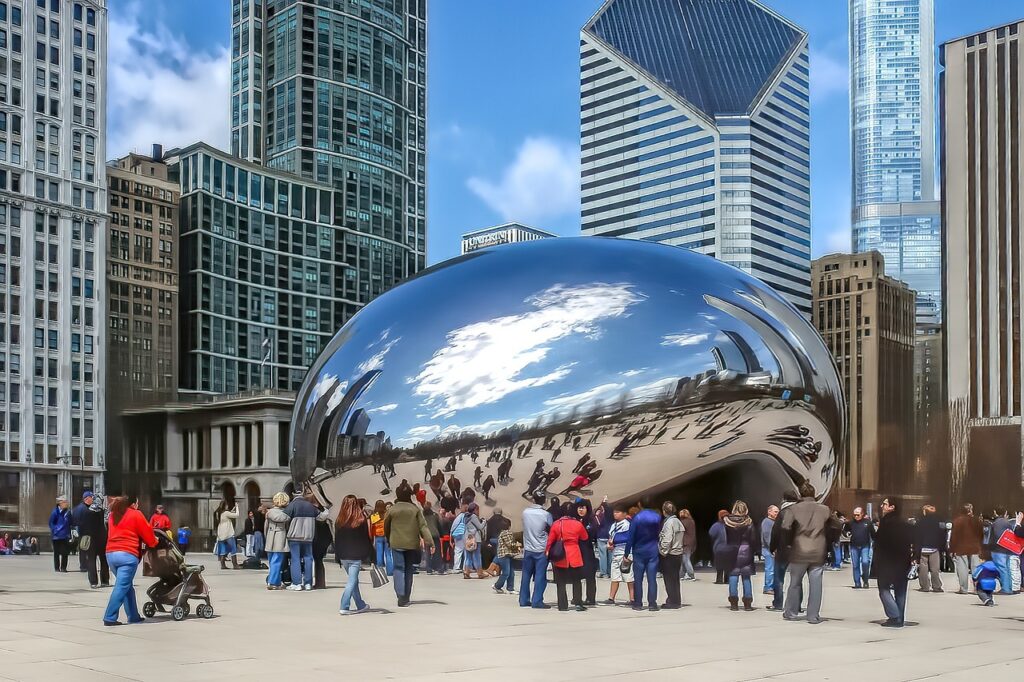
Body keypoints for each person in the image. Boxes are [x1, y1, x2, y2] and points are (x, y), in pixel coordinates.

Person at [781, 481, 839, 625]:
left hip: (799, 549)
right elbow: (837, 525)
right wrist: (829, 540)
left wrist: (788, 544)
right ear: (814, 494)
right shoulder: (825, 509)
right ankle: (813, 615)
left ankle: (791, 612)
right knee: (816, 584)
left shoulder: (794, 509)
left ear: (800, 494)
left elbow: (785, 527)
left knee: (795, 583)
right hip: (818, 549)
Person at [102, 495, 159, 626]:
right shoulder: (135, 514)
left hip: (111, 554)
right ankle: (109, 617)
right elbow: (148, 535)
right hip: (127, 555)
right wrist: (155, 541)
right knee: (122, 586)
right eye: (137, 503)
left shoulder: (113, 515)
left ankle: (133, 616)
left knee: (127, 586)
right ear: (133, 504)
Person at [384, 482, 434, 607]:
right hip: (411, 543)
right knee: (408, 569)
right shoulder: (415, 509)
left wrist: (388, 538)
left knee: (398, 568)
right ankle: (406, 597)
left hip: (396, 543)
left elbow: (386, 526)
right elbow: (423, 526)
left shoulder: (392, 509)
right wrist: (430, 542)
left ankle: (400, 595)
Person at [871, 496, 917, 628]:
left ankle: (894, 615)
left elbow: (879, 542)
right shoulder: (906, 524)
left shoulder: (885, 523)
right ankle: (899, 619)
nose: (882, 506)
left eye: (885, 504)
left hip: (887, 562)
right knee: (900, 591)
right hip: (903, 561)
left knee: (883, 589)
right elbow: (913, 540)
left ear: (892, 507)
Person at [546, 502, 589, 612]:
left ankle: (562, 605)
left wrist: (547, 551)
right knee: (576, 581)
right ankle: (578, 603)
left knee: (560, 582)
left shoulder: (556, 524)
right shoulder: (578, 524)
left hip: (561, 554)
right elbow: (585, 537)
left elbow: (550, 540)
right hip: (574, 553)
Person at [334, 495, 372, 614]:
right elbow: (366, 539)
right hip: (355, 555)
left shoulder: (339, 521)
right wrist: (371, 555)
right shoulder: (360, 521)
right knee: (352, 581)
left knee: (353, 580)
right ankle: (344, 606)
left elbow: (337, 540)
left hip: (344, 555)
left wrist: (337, 556)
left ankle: (360, 604)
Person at [284, 493, 327, 591]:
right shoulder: (310, 506)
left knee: (295, 559)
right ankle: (308, 583)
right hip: (308, 537)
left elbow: (284, 517)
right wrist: (327, 509)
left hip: (294, 537)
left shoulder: (292, 505)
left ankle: (296, 583)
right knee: (308, 559)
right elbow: (322, 517)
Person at [722, 500, 759, 611]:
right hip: (746, 550)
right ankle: (747, 603)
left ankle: (734, 603)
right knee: (746, 576)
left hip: (731, 550)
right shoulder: (749, 522)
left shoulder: (727, 522)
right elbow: (753, 539)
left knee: (733, 575)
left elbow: (724, 538)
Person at [625, 500, 662, 611]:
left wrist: (626, 553)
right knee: (652, 579)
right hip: (653, 550)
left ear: (640, 504)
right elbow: (660, 533)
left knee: (638, 579)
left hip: (639, 550)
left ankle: (638, 603)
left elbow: (631, 536)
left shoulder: (637, 518)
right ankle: (652, 603)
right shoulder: (657, 517)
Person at [520, 490, 553, 609]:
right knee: (540, 575)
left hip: (528, 547)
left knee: (526, 575)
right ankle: (537, 600)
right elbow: (551, 528)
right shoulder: (545, 514)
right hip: (541, 548)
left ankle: (523, 599)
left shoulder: (525, 512)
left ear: (533, 499)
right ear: (544, 501)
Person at [768, 491, 800, 611]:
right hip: (797, 549)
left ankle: (778, 603)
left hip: (783, 549)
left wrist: (772, 547)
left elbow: (775, 532)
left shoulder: (782, 513)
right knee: (797, 579)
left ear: (784, 499)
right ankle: (797, 604)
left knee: (779, 578)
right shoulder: (800, 512)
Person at [72, 491, 109, 588]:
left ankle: (93, 582)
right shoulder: (101, 511)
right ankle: (105, 581)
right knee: (103, 560)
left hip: (90, 539)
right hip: (102, 539)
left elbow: (80, 524)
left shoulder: (86, 511)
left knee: (91, 560)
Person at [950, 503, 984, 594]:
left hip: (961, 547)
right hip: (975, 547)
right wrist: (981, 546)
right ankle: (977, 588)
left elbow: (954, 536)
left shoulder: (957, 521)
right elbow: (981, 535)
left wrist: (952, 549)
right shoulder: (977, 520)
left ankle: (963, 588)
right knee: (976, 568)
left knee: (962, 568)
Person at [656, 501, 684, 608]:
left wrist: (662, 552)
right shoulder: (678, 521)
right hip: (678, 553)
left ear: (664, 511)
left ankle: (672, 601)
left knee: (669, 579)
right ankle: (676, 599)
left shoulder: (668, 523)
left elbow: (667, 540)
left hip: (670, 554)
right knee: (675, 579)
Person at [605, 503, 634, 604]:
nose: (615, 514)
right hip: (615, 553)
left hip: (625, 554)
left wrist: (615, 541)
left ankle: (632, 598)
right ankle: (611, 598)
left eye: (618, 512)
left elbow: (627, 538)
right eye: (614, 512)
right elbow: (611, 537)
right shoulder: (613, 525)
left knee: (629, 577)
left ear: (624, 514)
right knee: (615, 576)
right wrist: (609, 544)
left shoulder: (627, 524)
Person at [914, 505, 946, 592]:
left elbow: (916, 537)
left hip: (922, 548)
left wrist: (915, 550)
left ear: (924, 512)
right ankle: (936, 586)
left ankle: (925, 586)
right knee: (935, 569)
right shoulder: (939, 523)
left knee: (923, 569)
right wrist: (943, 548)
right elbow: (943, 536)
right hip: (934, 548)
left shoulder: (919, 522)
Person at [575, 498, 600, 606]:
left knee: (590, 576)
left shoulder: (591, 521)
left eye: (583, 508)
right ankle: (577, 597)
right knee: (576, 576)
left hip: (587, 551)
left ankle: (590, 598)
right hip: (576, 550)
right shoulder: (574, 520)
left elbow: (592, 534)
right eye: (579, 508)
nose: (581, 510)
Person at [264, 493, 290, 590]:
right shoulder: (285, 514)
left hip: (270, 537)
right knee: (277, 561)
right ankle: (273, 582)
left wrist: (266, 537)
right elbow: (286, 524)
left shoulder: (269, 512)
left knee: (272, 562)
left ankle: (276, 581)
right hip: (280, 536)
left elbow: (265, 527)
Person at [847, 507, 875, 589]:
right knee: (855, 565)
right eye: (854, 515)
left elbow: (873, 534)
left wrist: (876, 542)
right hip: (854, 546)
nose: (856, 516)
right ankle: (857, 583)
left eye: (858, 515)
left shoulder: (868, 523)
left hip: (865, 546)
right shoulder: (851, 523)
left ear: (862, 514)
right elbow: (845, 530)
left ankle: (865, 580)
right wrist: (847, 533)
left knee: (865, 562)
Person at [989, 507, 1014, 594]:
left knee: (1001, 569)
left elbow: (995, 535)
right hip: (1007, 549)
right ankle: (1009, 587)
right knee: (1007, 568)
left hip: (998, 549)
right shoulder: (1007, 522)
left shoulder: (996, 523)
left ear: (995, 512)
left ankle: (1006, 589)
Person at [460, 502, 487, 579]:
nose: (478, 512)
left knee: (468, 556)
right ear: (475, 510)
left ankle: (466, 572)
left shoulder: (465, 516)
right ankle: (480, 573)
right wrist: (484, 522)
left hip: (467, 538)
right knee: (477, 556)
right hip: (476, 539)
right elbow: (480, 527)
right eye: (478, 510)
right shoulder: (474, 516)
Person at [214, 497, 240, 570]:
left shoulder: (218, 513)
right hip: (228, 533)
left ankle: (222, 565)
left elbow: (228, 515)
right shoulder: (226, 513)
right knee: (233, 549)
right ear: (225, 506)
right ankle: (235, 564)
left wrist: (232, 510)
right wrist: (237, 507)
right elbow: (236, 515)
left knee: (223, 549)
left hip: (220, 533)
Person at [369, 500, 394, 576]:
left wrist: (372, 537)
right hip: (386, 535)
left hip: (378, 536)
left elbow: (372, 527)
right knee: (388, 554)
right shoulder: (386, 514)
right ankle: (390, 571)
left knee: (379, 553)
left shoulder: (374, 515)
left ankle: (380, 570)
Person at [48, 496, 72, 573]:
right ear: (60, 503)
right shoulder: (55, 512)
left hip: (65, 535)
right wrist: (55, 530)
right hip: (56, 536)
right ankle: (57, 567)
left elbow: (71, 522)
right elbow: (51, 523)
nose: (66, 504)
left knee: (65, 552)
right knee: (57, 552)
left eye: (66, 502)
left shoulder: (67, 512)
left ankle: (63, 567)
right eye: (64, 502)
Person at [493, 524, 518, 594]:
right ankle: (497, 586)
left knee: (511, 573)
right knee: (506, 573)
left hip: (507, 555)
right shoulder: (506, 533)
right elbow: (510, 544)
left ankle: (510, 588)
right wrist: (518, 545)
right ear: (509, 526)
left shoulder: (502, 533)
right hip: (505, 555)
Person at [422, 501, 443, 574]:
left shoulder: (422, 516)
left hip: (427, 535)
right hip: (435, 534)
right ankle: (439, 568)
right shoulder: (435, 515)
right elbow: (439, 525)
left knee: (427, 552)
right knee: (437, 552)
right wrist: (441, 534)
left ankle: (429, 568)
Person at [761, 505, 778, 595]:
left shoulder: (773, 522)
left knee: (773, 569)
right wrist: (773, 549)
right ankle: (768, 587)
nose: (777, 513)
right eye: (775, 512)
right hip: (768, 549)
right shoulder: (767, 522)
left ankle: (772, 586)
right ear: (769, 512)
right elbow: (767, 537)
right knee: (770, 569)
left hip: (771, 549)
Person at [709, 509, 728, 584]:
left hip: (719, 547)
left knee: (719, 564)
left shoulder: (716, 525)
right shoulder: (731, 524)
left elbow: (711, 534)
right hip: (730, 547)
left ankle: (719, 580)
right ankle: (727, 580)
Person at [595, 498, 613, 578]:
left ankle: (603, 572)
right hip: (610, 536)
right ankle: (610, 572)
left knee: (602, 555)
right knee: (610, 555)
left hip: (601, 535)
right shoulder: (611, 515)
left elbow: (597, 523)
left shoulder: (600, 515)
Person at [679, 508, 697, 581]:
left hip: (684, 542)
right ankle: (681, 575)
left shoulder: (683, 522)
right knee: (683, 559)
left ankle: (691, 575)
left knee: (686, 559)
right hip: (691, 542)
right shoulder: (692, 521)